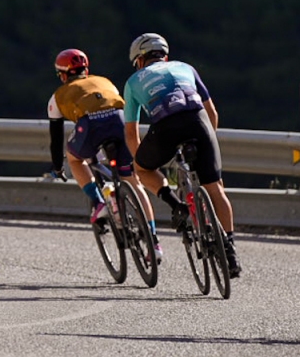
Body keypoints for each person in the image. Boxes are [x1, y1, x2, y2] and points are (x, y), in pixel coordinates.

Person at [122, 32, 240, 278]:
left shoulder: (134, 81)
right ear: (165, 56)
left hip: (164, 126)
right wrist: (208, 142)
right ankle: (230, 252)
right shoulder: (186, 67)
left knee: (141, 167)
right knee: (216, 187)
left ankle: (176, 205)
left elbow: (131, 133)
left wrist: (142, 165)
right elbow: (212, 112)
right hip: (199, 123)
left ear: (140, 60)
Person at [47, 48, 161, 258]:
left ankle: (99, 203)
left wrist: (56, 166)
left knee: (75, 159)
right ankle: (153, 242)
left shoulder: (57, 97)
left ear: (63, 74)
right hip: (119, 120)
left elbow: (56, 138)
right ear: (86, 69)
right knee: (133, 181)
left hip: (90, 126)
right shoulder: (105, 81)